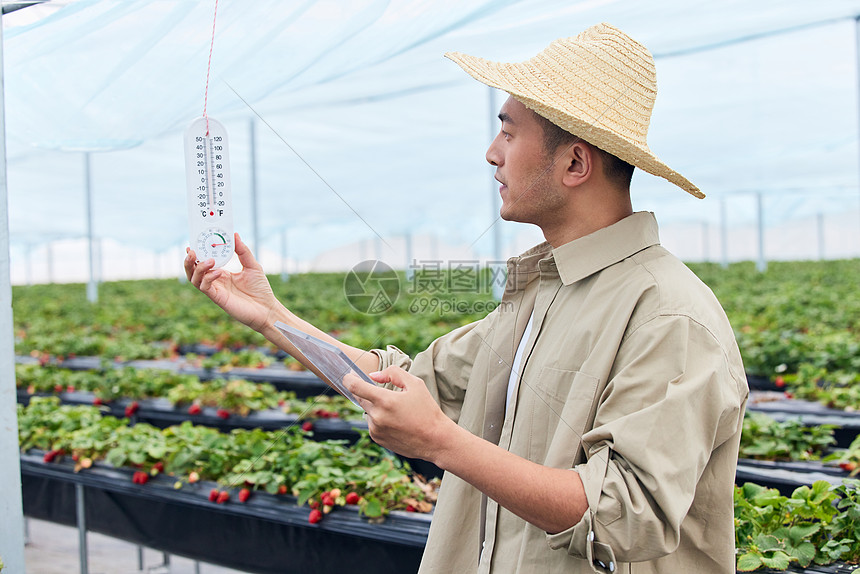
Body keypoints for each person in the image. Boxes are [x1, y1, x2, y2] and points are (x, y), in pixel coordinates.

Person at [185, 22, 748, 574]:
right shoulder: (539, 291)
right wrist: (270, 316)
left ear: (575, 163)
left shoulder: (670, 315)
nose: (491, 153)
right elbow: (400, 382)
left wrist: (440, 442)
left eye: (508, 131)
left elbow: (624, 516)